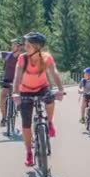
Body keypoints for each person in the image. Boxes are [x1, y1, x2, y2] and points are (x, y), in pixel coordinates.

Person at [12, 32, 65, 167]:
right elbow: (17, 77)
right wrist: (15, 93)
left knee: (50, 100)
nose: (25, 47)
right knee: (26, 123)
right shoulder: (22, 59)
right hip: (25, 90)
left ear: (37, 47)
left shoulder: (46, 58)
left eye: (28, 45)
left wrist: (60, 89)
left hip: (42, 87)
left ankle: (50, 122)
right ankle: (29, 152)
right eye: (25, 44)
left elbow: (54, 73)